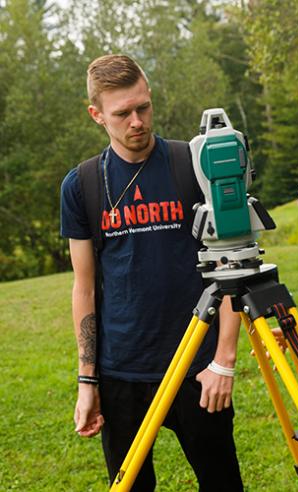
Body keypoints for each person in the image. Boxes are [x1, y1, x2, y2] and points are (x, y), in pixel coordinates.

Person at [60, 54, 243, 491]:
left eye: (143, 107)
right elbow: (84, 288)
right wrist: (88, 381)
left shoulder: (193, 165)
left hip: (197, 366)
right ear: (97, 115)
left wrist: (224, 361)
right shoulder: (81, 185)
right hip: (121, 373)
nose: (137, 121)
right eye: (122, 113)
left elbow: (233, 263)